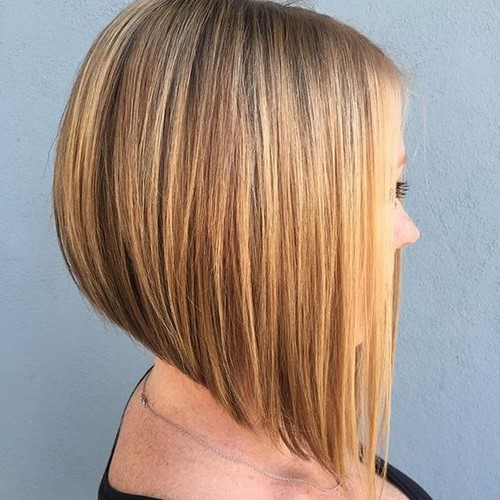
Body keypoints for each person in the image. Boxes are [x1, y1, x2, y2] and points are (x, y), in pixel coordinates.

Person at [52, 0, 429, 498]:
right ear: (242, 226)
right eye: (382, 192)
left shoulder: (214, 403)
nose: (408, 231)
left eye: (399, 189)